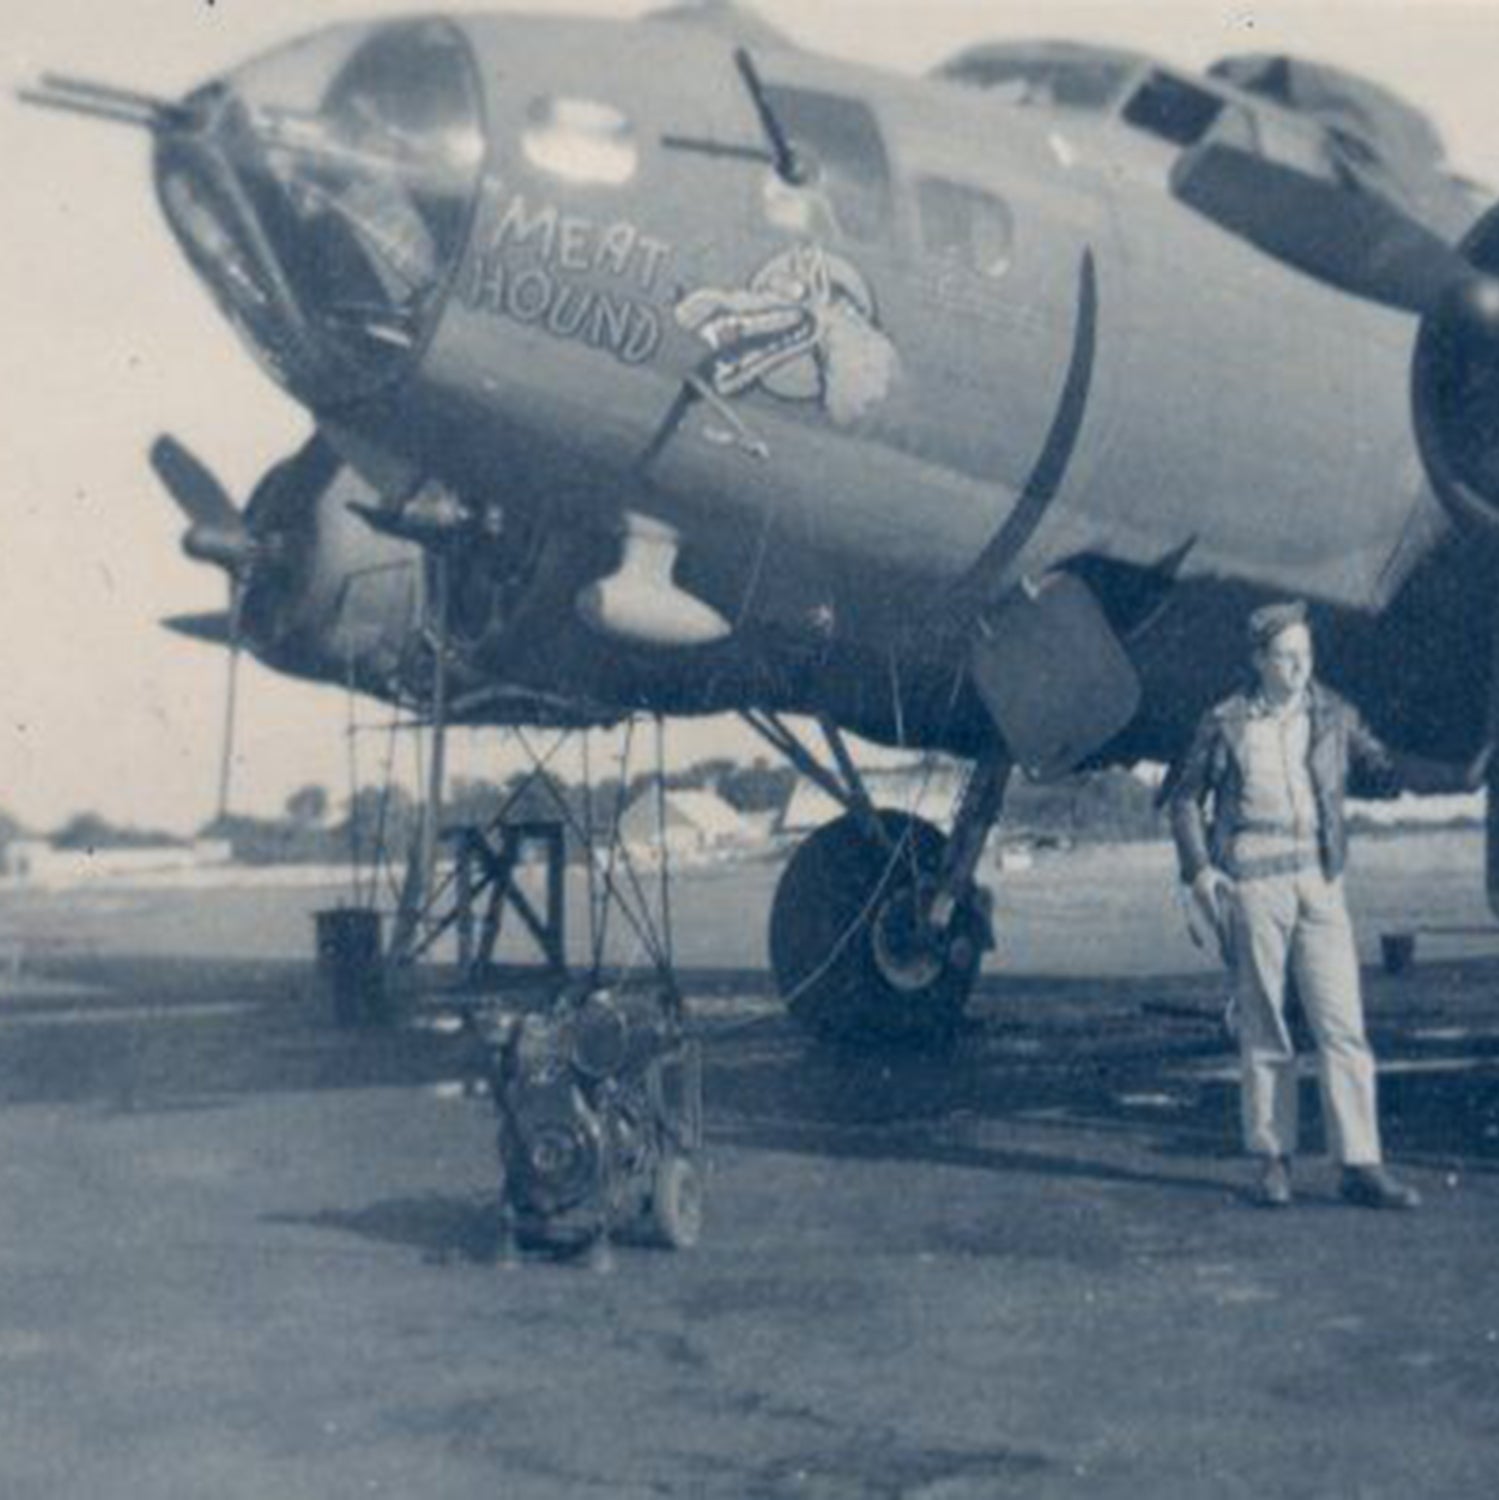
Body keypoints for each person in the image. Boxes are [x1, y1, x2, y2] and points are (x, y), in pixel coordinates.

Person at [1168, 601, 1489, 1210]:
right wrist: (1200, 870)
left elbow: (1382, 766)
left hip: (1319, 882)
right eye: (1287, 657)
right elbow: (1186, 799)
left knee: (1342, 1023)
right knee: (1265, 1024)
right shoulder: (1224, 721)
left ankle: (1360, 1163)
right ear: (1259, 659)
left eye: (1306, 656)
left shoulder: (1334, 715)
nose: (1299, 668)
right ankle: (1272, 1160)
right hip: (1253, 881)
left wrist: (1458, 775)